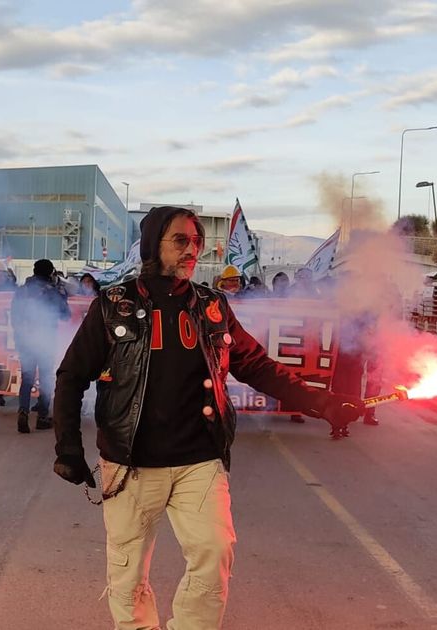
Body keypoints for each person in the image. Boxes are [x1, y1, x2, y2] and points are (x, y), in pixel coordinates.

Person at [52, 206, 363, 630]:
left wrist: (323, 403)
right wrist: (67, 447)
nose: (192, 249)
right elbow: (71, 377)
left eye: (196, 242)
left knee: (215, 553)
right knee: (127, 572)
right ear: (152, 245)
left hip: (200, 458)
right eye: (181, 240)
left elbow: (256, 365)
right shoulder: (112, 305)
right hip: (129, 463)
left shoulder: (212, 307)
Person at [11, 259, 70, 433]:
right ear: (50, 272)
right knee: (45, 377)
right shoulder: (53, 291)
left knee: (27, 378)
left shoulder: (22, 291)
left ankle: (23, 410)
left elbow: (14, 315)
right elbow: (65, 315)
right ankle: (42, 417)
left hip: (25, 339)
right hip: (46, 338)